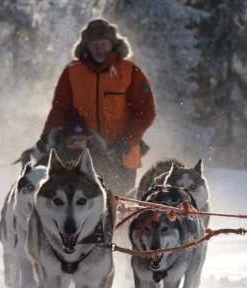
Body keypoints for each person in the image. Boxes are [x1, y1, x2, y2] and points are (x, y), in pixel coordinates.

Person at [35, 18, 156, 195]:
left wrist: (128, 140)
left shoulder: (129, 70)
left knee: (119, 204)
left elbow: (146, 111)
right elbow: (60, 108)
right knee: (82, 204)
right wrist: (47, 135)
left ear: (112, 44)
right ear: (86, 46)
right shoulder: (72, 71)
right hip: (81, 154)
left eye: (104, 44)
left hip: (121, 154)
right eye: (95, 44)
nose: (99, 49)